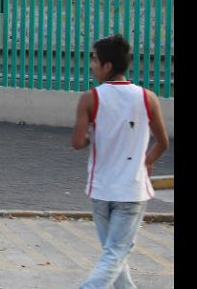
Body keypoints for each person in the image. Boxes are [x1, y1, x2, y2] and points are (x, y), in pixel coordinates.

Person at [71, 34, 169, 289]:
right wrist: (146, 163)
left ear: (108, 66)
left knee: (114, 251)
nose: (91, 65)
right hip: (131, 190)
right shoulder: (148, 98)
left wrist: (94, 134)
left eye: (94, 59)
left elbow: (77, 142)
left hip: (101, 190)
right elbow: (162, 142)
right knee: (116, 252)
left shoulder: (90, 99)